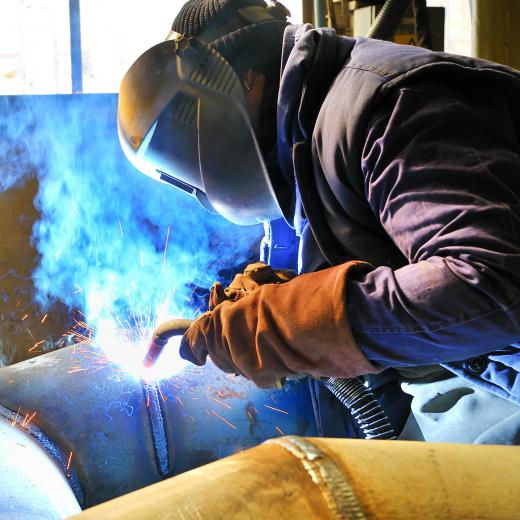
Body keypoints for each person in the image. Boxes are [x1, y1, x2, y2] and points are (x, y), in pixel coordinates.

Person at [117, 0, 520, 443]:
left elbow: (492, 284)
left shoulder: (391, 105)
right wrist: (292, 294)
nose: (202, 167)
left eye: (193, 138)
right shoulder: (299, 141)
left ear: (246, 80)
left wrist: (291, 323)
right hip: (465, 381)